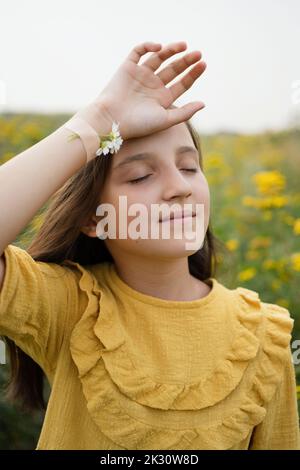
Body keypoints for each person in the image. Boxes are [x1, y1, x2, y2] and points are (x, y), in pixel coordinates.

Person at [0, 41, 299, 450]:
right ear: (92, 218)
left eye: (190, 166)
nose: (179, 187)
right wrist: (98, 121)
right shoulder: (70, 306)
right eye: (141, 176)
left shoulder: (265, 334)